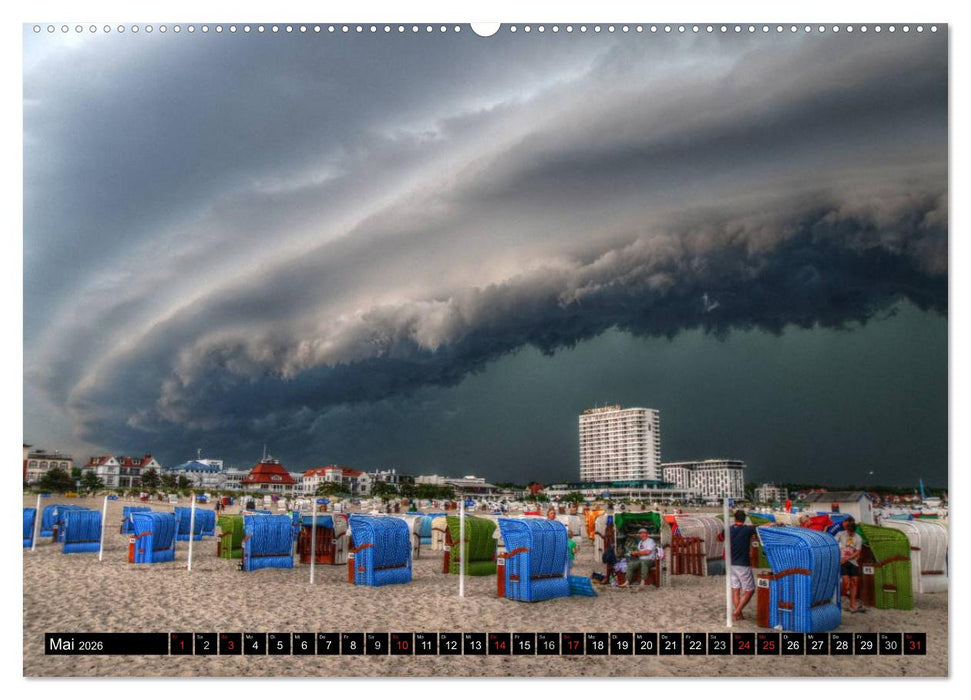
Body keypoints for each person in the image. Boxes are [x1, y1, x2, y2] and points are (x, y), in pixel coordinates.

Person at [725, 510, 757, 621]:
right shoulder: (747, 529)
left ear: (734, 518)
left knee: (736, 590)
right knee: (750, 590)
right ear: (744, 519)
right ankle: (736, 613)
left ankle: (739, 615)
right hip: (742, 563)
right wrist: (774, 524)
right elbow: (762, 528)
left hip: (730, 563)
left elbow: (719, 538)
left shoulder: (728, 529)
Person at [836, 516, 865, 612]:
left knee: (854, 582)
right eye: (849, 532)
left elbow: (858, 551)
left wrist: (848, 558)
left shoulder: (858, 538)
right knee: (846, 582)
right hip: (842, 560)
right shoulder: (840, 534)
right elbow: (833, 543)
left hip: (853, 561)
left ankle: (852, 604)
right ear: (847, 529)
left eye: (852, 532)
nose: (850, 534)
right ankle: (844, 595)